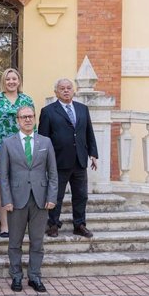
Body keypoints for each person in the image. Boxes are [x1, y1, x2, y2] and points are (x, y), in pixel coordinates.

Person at [0, 105, 57, 293]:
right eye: (23, 117)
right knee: (14, 242)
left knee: (37, 241)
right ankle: (16, 276)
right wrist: (6, 199)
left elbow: (53, 173)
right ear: (17, 120)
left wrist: (52, 196)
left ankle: (34, 276)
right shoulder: (8, 143)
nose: (27, 120)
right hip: (16, 199)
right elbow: (3, 175)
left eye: (30, 116)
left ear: (35, 119)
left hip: (40, 199)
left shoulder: (46, 142)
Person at [38, 78, 98, 238]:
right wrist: (44, 160)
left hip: (80, 160)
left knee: (81, 195)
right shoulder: (48, 111)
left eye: (69, 88)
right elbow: (43, 138)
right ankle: (53, 225)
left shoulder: (82, 109)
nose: (66, 90)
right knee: (56, 195)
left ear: (73, 90)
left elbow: (88, 132)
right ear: (56, 92)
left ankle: (79, 224)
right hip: (58, 161)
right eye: (62, 88)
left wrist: (93, 154)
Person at [0, 68, 35, 238]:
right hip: (0, 149)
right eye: (8, 79)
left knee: (20, 184)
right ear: (3, 81)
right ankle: (4, 224)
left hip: (22, 149)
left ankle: (18, 224)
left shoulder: (26, 99)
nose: (11, 82)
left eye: (14, 79)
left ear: (19, 81)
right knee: (1, 185)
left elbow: (32, 123)